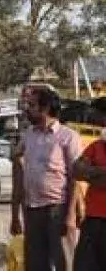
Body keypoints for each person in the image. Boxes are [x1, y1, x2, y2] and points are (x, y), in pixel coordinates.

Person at [10, 86, 81, 271]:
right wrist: (15, 213)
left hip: (58, 209)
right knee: (35, 263)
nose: (27, 109)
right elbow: (17, 161)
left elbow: (75, 178)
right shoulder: (28, 135)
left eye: (32, 105)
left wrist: (70, 215)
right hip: (32, 210)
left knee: (64, 261)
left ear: (46, 107)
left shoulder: (68, 137)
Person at [72, 97, 106, 270]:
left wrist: (92, 173)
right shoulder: (96, 146)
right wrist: (99, 173)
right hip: (93, 219)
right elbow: (77, 170)